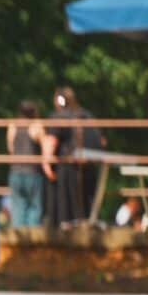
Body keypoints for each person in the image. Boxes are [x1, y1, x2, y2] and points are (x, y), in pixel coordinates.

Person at [43, 86, 105, 227]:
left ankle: (66, 230)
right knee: (86, 205)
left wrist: (46, 164)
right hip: (89, 165)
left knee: (66, 209)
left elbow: (52, 142)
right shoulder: (87, 115)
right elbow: (101, 141)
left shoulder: (59, 116)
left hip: (67, 166)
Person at [6, 101, 46, 227]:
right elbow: (45, 148)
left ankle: (18, 241)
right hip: (32, 172)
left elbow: (11, 149)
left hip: (15, 172)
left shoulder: (13, 126)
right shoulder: (37, 126)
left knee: (17, 208)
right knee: (34, 208)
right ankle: (31, 241)